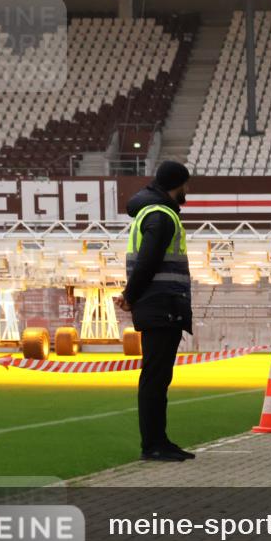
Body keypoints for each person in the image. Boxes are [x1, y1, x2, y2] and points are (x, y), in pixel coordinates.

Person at [114, 161, 195, 462]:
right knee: (156, 377)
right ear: (178, 184)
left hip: (158, 303)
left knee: (158, 376)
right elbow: (148, 261)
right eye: (186, 185)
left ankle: (159, 440)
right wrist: (130, 295)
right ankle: (153, 444)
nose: (188, 191)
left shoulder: (150, 212)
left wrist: (132, 295)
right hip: (162, 303)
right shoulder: (162, 215)